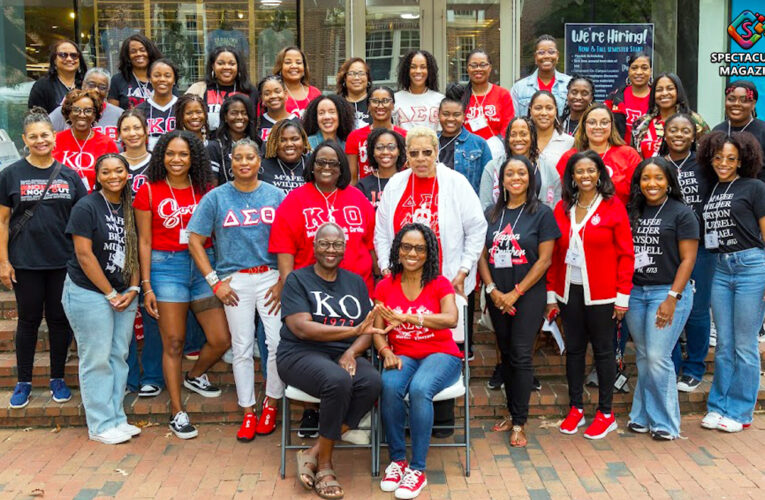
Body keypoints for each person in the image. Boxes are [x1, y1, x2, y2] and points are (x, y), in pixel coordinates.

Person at [187, 138, 286, 441]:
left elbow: (288, 241)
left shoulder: (276, 195)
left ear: (259, 162)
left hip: (270, 277)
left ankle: (271, 402)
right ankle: (248, 411)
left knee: (275, 342)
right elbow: (194, 239)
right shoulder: (217, 198)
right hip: (235, 281)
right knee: (241, 347)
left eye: (250, 158)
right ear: (231, 162)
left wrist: (283, 279)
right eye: (238, 158)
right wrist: (214, 282)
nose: (244, 163)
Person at [134, 131, 231, 439]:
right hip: (167, 268)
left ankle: (196, 374)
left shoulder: (206, 190)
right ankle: (177, 411)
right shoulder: (148, 191)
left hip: (204, 265)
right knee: (174, 342)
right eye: (170, 154)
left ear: (194, 158)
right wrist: (146, 285)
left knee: (220, 338)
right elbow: (144, 241)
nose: (176, 160)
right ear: (161, 156)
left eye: (184, 154)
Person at [276, 222, 383, 499]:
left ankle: (313, 451)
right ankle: (325, 465)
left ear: (345, 249)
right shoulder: (297, 280)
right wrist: (351, 332)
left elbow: (367, 330)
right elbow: (301, 327)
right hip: (299, 353)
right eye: (324, 243)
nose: (330, 249)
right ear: (314, 247)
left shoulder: (356, 282)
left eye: (337, 244)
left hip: (341, 353)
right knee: (337, 380)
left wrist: (350, 351)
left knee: (371, 381)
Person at [0, 108, 87, 409]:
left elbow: (83, 223)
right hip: (25, 262)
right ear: (24, 139)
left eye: (45, 135)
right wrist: (3, 261)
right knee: (28, 321)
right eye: (34, 136)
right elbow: (2, 221)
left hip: (63, 263)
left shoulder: (70, 176)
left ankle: (57, 379)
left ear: (54, 137)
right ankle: (23, 381)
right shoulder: (10, 175)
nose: (40, 140)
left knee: (60, 321)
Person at [547, 150, 634, 439]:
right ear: (571, 176)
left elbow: (626, 254)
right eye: (579, 171)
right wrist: (550, 293)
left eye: (590, 171)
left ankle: (606, 413)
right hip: (568, 291)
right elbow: (554, 253)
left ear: (600, 174)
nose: (585, 176)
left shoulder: (612, 207)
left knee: (603, 351)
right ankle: (576, 409)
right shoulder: (562, 208)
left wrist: (623, 296)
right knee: (573, 351)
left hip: (604, 294)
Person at [477, 156, 560, 446]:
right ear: (502, 179)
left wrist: (516, 292)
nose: (515, 177)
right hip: (497, 296)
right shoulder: (491, 213)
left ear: (530, 178)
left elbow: (545, 260)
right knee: (507, 354)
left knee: (522, 355)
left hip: (527, 296)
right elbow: (481, 254)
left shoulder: (542, 213)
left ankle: (520, 422)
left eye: (521, 173)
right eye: (509, 173)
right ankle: (512, 413)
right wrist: (491, 290)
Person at [375, 223, 461, 499]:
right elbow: (378, 331)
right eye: (407, 247)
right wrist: (385, 352)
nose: (412, 253)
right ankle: (398, 460)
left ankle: (417, 469)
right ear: (398, 250)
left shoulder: (439, 282)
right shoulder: (385, 285)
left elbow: (451, 319)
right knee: (388, 385)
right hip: (403, 353)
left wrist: (411, 318)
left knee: (420, 388)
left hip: (441, 353)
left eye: (420, 248)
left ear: (429, 253)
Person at [62, 153, 141, 444]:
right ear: (97, 177)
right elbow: (83, 255)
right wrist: (109, 293)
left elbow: (137, 251)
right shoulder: (86, 206)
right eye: (106, 172)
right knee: (96, 358)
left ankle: (117, 417)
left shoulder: (132, 206)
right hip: (89, 292)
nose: (113, 176)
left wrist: (132, 290)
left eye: (118, 170)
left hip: (124, 293)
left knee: (118, 355)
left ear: (127, 173)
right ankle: (99, 424)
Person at [625, 157, 698, 440]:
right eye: (645, 178)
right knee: (644, 356)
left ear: (669, 181)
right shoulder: (633, 210)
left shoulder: (682, 213)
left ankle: (666, 423)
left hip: (667, 291)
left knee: (657, 356)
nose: (651, 184)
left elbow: (688, 260)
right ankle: (641, 416)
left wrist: (672, 297)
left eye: (658, 178)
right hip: (635, 292)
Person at [699, 131, 765, 433]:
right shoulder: (711, 189)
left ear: (742, 161)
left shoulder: (754, 187)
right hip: (721, 269)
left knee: (745, 345)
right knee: (724, 344)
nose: (723, 163)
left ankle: (740, 411)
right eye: (718, 157)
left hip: (751, 266)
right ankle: (718, 406)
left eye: (731, 159)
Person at [270, 141, 377, 290]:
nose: (326, 167)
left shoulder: (358, 198)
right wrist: (291, 290)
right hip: (310, 291)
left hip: (358, 290)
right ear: (312, 166)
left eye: (333, 163)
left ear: (341, 168)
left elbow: (372, 246)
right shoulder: (294, 201)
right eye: (321, 162)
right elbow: (285, 250)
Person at [656, 113, 713, 392]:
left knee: (698, 310)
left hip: (700, 246)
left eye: (685, 130)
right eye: (673, 130)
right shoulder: (658, 164)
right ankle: (673, 365)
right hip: (666, 248)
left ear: (694, 136)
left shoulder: (704, 166)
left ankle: (694, 368)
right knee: (668, 305)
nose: (679, 134)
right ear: (664, 135)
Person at [116, 109, 163, 397]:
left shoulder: (156, 164)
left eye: (137, 128)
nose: (132, 133)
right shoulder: (114, 164)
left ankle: (154, 375)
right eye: (126, 129)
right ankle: (130, 376)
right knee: (124, 314)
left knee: (151, 311)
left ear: (146, 132)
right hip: (120, 243)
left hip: (153, 242)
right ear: (118, 134)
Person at [556, 103, 642, 205]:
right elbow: (563, 195)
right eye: (592, 122)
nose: (598, 127)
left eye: (604, 122)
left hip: (620, 218)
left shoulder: (628, 155)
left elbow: (638, 195)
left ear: (611, 125)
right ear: (584, 125)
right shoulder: (570, 157)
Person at [52, 89, 120, 192]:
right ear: (68, 112)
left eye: (88, 111)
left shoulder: (107, 143)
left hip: (95, 203)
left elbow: (114, 178)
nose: (82, 115)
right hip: (61, 202)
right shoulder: (55, 141)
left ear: (95, 114)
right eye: (76, 110)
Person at [632, 73, 709, 159]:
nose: (664, 93)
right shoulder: (641, 123)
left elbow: (708, 151)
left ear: (678, 91)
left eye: (670, 88)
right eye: (659, 90)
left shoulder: (694, 120)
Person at [436, 86, 492, 194]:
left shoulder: (479, 144)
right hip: (436, 205)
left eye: (456, 115)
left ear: (464, 117)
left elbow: (488, 183)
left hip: (467, 206)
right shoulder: (430, 142)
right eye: (446, 114)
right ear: (438, 115)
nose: (451, 119)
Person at [346, 86, 408, 182]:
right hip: (366, 193)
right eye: (375, 101)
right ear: (368, 106)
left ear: (393, 105)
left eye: (385, 101)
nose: (380, 106)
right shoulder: (355, 137)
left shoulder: (405, 136)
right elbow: (352, 177)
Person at [186, 47, 255, 131]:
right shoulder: (198, 89)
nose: (226, 67)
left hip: (242, 142)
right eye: (220, 63)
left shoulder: (250, 91)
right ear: (212, 66)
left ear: (238, 66)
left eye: (231, 64)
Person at [479, 117, 541, 209]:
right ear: (507, 138)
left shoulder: (546, 167)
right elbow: (485, 205)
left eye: (523, 134)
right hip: (501, 221)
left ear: (532, 137)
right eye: (513, 134)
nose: (518, 139)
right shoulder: (492, 167)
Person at [461, 49, 513, 156]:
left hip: (496, 152)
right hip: (466, 152)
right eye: (473, 65)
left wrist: (496, 144)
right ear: (467, 68)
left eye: (483, 65)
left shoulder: (502, 94)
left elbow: (508, 127)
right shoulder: (460, 95)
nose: (478, 69)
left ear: (490, 68)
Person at [528, 90, 574, 207]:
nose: (544, 113)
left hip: (558, 205)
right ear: (530, 110)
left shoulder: (569, 142)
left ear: (556, 111)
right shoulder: (522, 141)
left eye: (549, 108)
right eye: (538, 108)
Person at [50, 68, 124, 141]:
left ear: (108, 91)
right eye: (91, 85)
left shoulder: (119, 114)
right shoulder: (66, 110)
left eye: (102, 87)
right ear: (83, 85)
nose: (96, 90)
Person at [712, 80, 765, 181]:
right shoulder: (717, 131)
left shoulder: (763, 131)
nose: (736, 104)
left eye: (744, 100)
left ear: (753, 104)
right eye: (731, 99)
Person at [510, 35, 571, 118]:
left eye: (551, 52)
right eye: (541, 52)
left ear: (557, 56)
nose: (546, 56)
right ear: (535, 57)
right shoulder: (519, 88)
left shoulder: (569, 84)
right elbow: (514, 121)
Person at [206, 94, 258, 184]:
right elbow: (212, 185)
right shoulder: (214, 147)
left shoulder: (259, 145)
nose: (239, 117)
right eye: (234, 113)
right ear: (225, 117)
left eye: (244, 113)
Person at [28, 39, 87, 113]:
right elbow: (36, 118)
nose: (69, 59)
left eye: (74, 55)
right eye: (63, 55)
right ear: (54, 60)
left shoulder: (88, 84)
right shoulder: (42, 86)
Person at [605, 52, 653, 143]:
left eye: (644, 68)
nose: (639, 72)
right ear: (629, 71)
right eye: (634, 68)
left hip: (650, 155)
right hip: (619, 153)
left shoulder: (657, 98)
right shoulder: (615, 98)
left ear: (651, 71)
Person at [108, 34, 163, 110]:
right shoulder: (117, 80)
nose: (139, 54)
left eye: (142, 50)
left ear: (150, 52)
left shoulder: (163, 79)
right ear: (127, 56)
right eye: (133, 51)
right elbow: (113, 114)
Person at [393, 50, 444, 131]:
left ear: (429, 70)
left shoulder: (440, 100)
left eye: (423, 67)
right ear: (407, 70)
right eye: (413, 67)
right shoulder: (395, 99)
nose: (418, 71)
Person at [135, 58, 179, 151]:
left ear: (174, 80)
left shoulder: (183, 107)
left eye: (167, 76)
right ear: (150, 79)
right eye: (157, 75)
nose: (162, 79)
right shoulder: (139, 111)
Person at [357, 128, 406, 209]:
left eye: (391, 147)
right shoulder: (362, 186)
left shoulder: (407, 181)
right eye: (379, 147)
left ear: (399, 151)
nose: (385, 152)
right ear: (372, 152)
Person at [258, 120, 310, 194]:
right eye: (282, 140)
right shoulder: (262, 168)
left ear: (304, 141)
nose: (289, 144)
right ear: (274, 143)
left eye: (295, 139)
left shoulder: (313, 166)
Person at [272, 46, 322, 118]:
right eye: (288, 62)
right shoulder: (273, 95)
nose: (294, 66)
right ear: (280, 66)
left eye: (298, 62)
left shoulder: (315, 93)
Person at [255, 75, 299, 143]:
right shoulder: (256, 124)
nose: (273, 96)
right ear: (262, 98)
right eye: (267, 94)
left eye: (277, 92)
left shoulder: (299, 123)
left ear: (286, 94)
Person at [336, 57, 373, 128]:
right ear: (344, 78)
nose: (356, 78)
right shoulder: (337, 104)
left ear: (368, 78)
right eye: (351, 73)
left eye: (361, 73)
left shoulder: (376, 103)